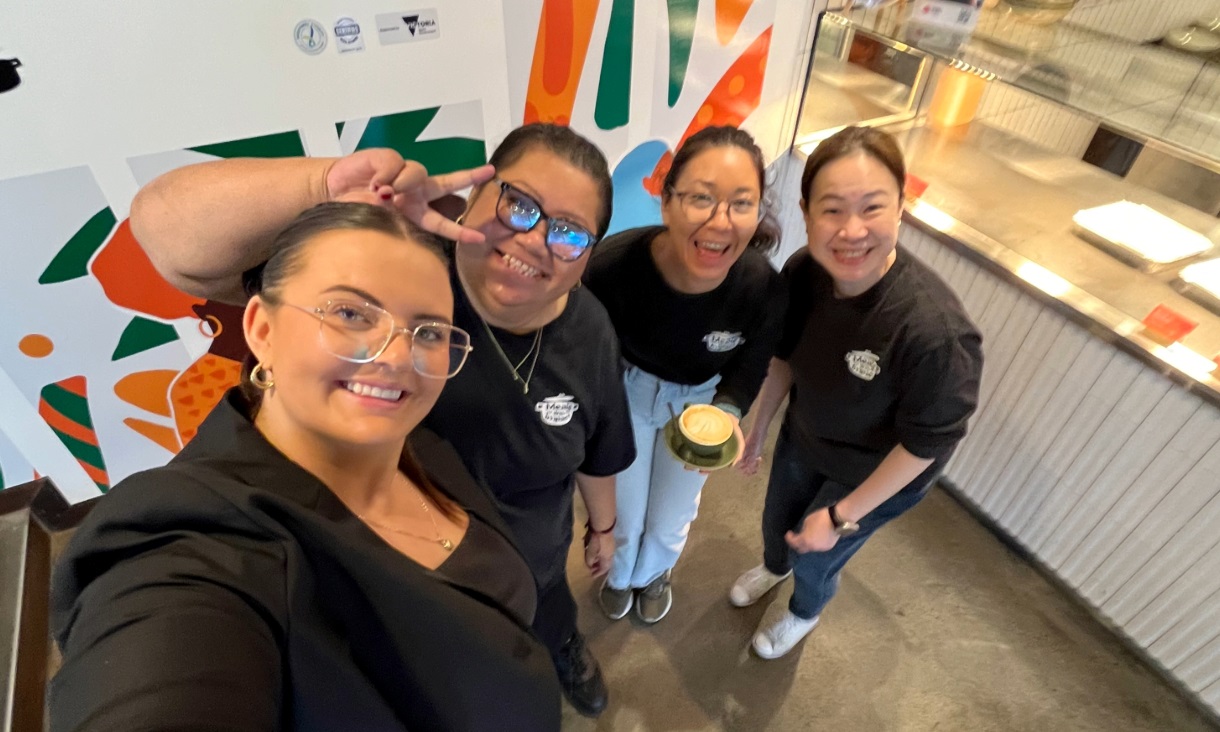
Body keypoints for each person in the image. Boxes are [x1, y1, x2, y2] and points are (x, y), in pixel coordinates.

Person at [129, 124, 635, 717]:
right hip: (400, 574)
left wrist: (602, 528)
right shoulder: (401, 275)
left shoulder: (590, 328)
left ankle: (563, 648)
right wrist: (325, 183)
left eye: (570, 232)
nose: (535, 240)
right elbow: (169, 239)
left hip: (531, 555)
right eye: (519, 204)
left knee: (546, 618)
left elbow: (599, 446)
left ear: (588, 256)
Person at [51, 203, 561, 731]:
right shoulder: (194, 547)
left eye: (428, 332)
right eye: (350, 313)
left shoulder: (419, 446)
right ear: (262, 329)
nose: (394, 356)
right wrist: (327, 183)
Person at [728, 126, 983, 660]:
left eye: (872, 208)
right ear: (805, 211)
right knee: (779, 522)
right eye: (832, 209)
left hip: (877, 469)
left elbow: (926, 446)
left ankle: (804, 612)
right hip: (809, 436)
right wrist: (759, 429)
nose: (851, 231)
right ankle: (775, 568)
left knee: (820, 553)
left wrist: (842, 515)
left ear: (901, 208)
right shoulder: (804, 272)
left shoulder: (935, 331)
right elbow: (785, 359)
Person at [584, 126, 786, 624]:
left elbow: (752, 362)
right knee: (621, 513)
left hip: (699, 403)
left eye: (742, 203)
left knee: (671, 517)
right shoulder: (612, 268)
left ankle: (654, 573)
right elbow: (584, 351)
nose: (721, 222)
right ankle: (619, 574)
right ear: (667, 201)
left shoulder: (761, 286)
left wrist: (728, 413)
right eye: (701, 198)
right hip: (623, 394)